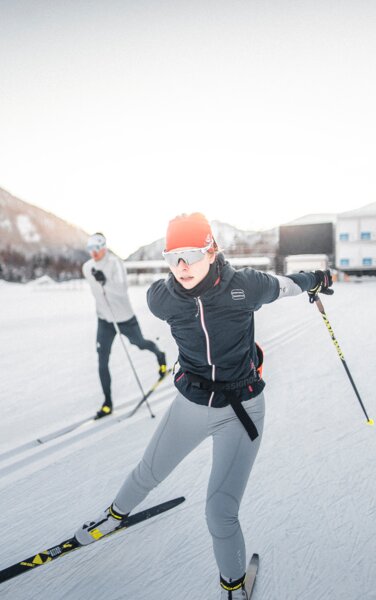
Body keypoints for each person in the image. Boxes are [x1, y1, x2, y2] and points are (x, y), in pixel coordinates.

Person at [76, 215, 333, 598]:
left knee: (219, 512)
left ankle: (233, 587)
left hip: (241, 410)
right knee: (147, 471)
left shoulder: (245, 285)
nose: (182, 267)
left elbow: (286, 285)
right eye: (172, 257)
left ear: (211, 250)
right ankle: (113, 517)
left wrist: (316, 279)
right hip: (191, 403)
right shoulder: (160, 298)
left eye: (191, 255)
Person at [83, 233, 167, 419]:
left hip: (125, 318)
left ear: (104, 247)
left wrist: (105, 281)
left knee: (140, 344)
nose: (93, 253)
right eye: (90, 249)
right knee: (102, 358)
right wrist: (99, 282)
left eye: (96, 248)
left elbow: (121, 290)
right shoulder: (87, 267)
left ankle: (160, 355)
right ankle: (107, 403)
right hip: (105, 320)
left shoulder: (115, 263)